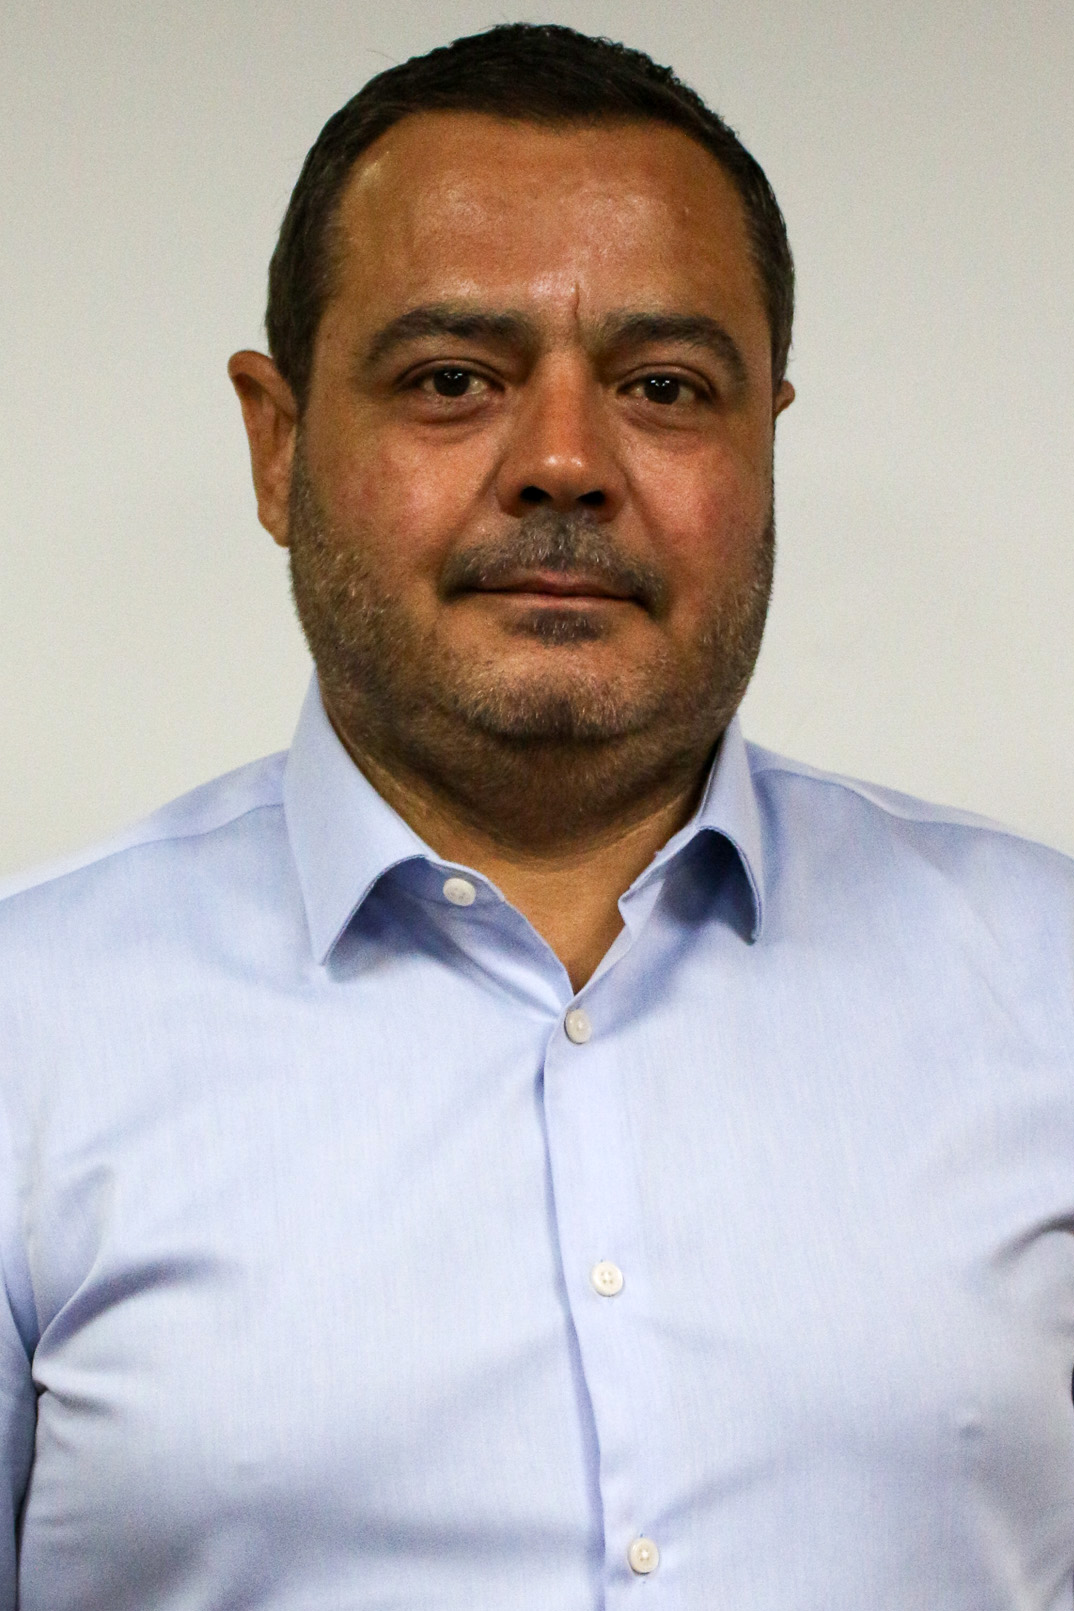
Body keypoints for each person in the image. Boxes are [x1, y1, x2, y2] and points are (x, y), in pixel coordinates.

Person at [1, 20, 1072, 1609]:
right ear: (277, 446)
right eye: (452, 380)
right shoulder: (26, 1032)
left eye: (661, 387)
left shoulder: (1047, 987)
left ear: (763, 443)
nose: (563, 462)